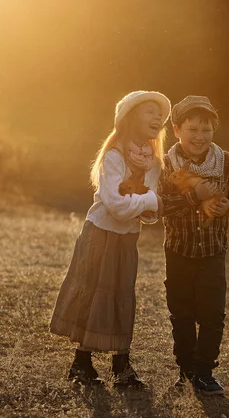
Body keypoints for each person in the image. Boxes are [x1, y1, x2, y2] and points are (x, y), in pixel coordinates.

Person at [49, 90, 171, 388]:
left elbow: (148, 212)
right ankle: (81, 363)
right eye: (150, 112)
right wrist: (150, 201)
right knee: (95, 292)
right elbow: (116, 207)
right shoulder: (113, 156)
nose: (158, 118)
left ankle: (121, 364)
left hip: (127, 239)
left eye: (160, 114)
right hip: (100, 234)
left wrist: (147, 204)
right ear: (129, 117)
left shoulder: (153, 162)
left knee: (121, 295)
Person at [158, 95, 229, 395]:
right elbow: (160, 205)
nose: (199, 137)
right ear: (177, 130)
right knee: (182, 313)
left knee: (213, 314)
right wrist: (194, 196)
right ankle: (186, 368)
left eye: (206, 130)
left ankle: (204, 371)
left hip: (213, 252)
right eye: (192, 129)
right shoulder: (165, 165)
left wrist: (228, 207)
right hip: (177, 251)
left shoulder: (227, 162)